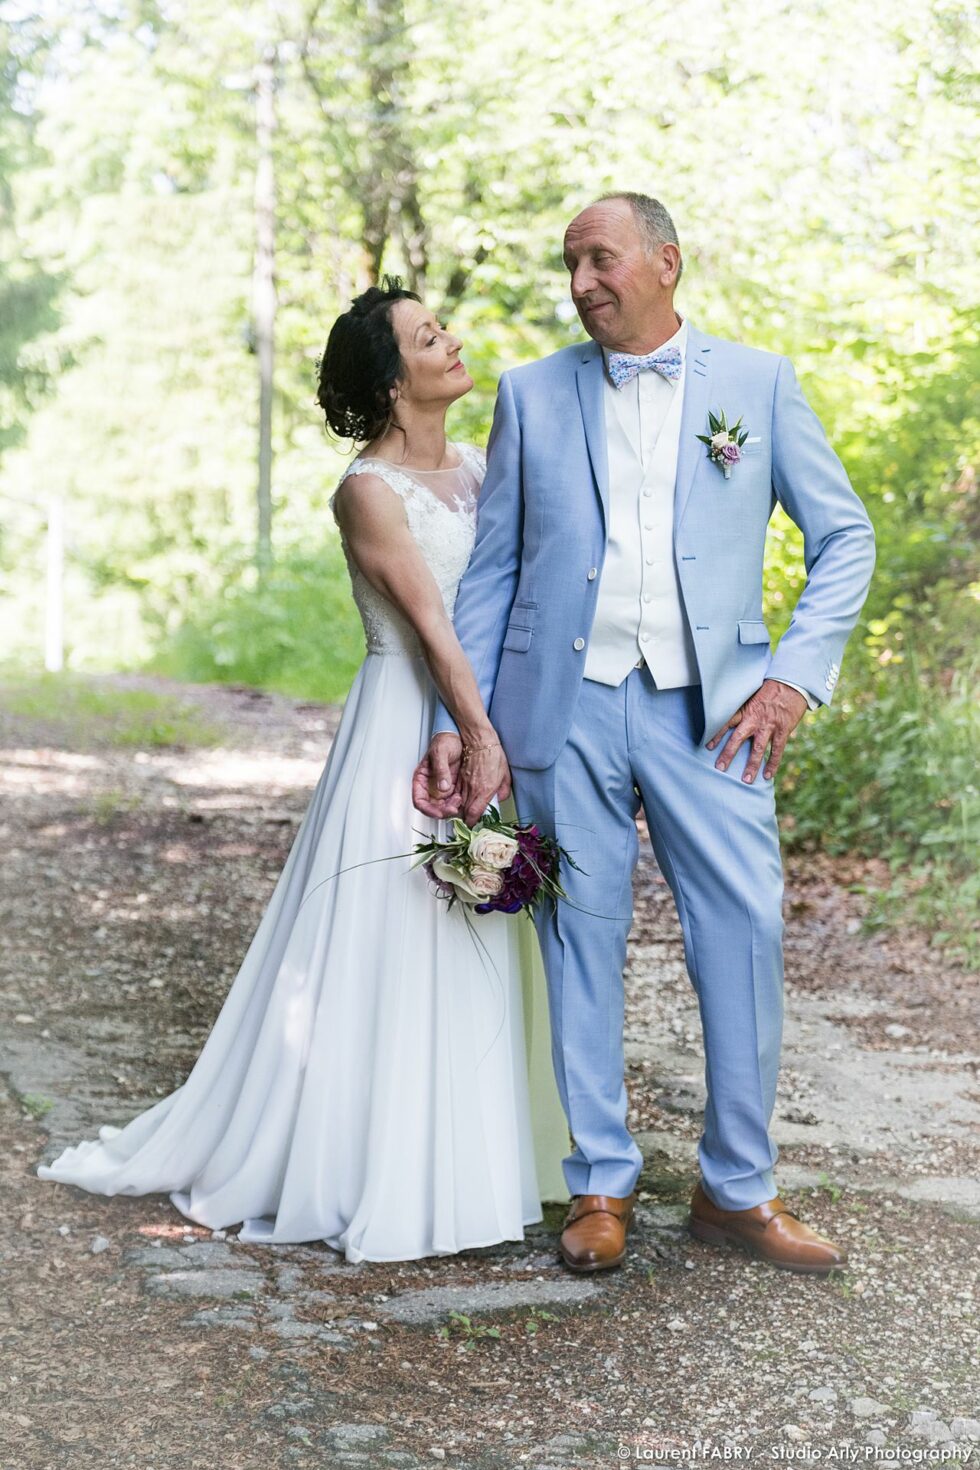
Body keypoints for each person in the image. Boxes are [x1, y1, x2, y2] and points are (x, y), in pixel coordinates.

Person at [36, 278, 570, 1263]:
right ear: (388, 377)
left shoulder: (485, 465)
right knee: (404, 923)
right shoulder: (366, 492)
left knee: (482, 926)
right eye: (424, 336)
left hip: (477, 714)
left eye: (439, 326)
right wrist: (475, 735)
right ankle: (379, 1166)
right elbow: (435, 634)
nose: (448, 341)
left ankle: (490, 1163)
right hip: (405, 722)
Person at [414, 193, 876, 1275]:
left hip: (713, 713)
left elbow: (841, 539)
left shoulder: (755, 384)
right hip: (560, 709)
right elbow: (490, 576)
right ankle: (598, 1181)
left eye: (599, 260)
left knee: (743, 932)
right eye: (569, 265)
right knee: (577, 936)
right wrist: (456, 718)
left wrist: (791, 683)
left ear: (665, 263)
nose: (580, 283)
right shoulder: (530, 394)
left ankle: (736, 1188)